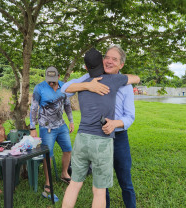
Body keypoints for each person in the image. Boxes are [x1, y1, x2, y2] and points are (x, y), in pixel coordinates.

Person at [62, 48, 140, 208]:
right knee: (101, 186)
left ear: (121, 65)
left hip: (118, 138)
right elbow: (65, 89)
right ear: (101, 60)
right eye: (107, 57)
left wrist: (114, 123)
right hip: (99, 138)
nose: (109, 61)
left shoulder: (125, 84)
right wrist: (88, 86)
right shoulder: (89, 78)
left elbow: (129, 117)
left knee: (125, 181)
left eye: (114, 59)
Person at [29, 66, 74, 201]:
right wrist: (32, 127)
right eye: (49, 80)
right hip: (46, 127)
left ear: (58, 77)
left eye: (53, 80)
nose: (51, 82)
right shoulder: (39, 88)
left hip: (61, 125)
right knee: (48, 155)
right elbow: (33, 108)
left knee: (68, 150)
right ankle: (48, 182)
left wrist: (71, 121)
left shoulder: (64, 87)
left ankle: (64, 173)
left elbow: (67, 105)